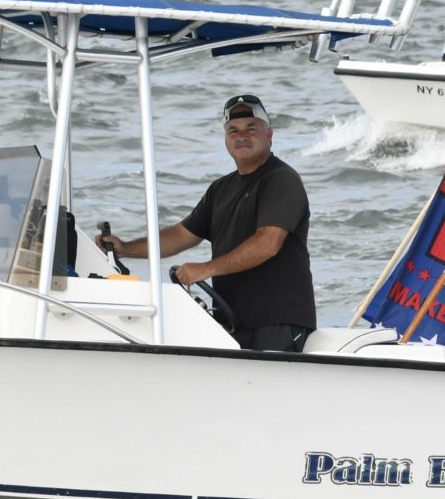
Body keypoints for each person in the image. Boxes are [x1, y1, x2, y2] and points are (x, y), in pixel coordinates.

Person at [95, 94, 316, 353]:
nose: (241, 136)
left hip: (278, 322)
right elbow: (182, 234)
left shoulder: (282, 179)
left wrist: (206, 269)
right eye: (233, 130)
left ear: (269, 135)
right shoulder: (220, 188)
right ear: (225, 138)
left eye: (251, 129)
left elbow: (267, 243)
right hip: (232, 322)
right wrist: (125, 248)